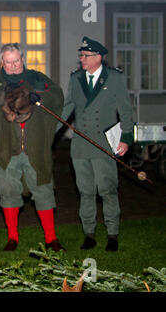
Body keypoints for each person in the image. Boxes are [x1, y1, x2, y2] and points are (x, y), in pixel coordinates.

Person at [0, 43, 65, 252]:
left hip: (34, 148)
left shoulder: (37, 78)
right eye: (9, 62)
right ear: (2, 62)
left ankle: (51, 238)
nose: (14, 65)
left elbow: (57, 96)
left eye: (17, 60)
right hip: (6, 148)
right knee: (8, 189)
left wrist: (38, 96)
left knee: (43, 188)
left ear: (22, 59)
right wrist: (2, 97)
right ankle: (12, 237)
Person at [58, 37, 133, 251]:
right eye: (81, 55)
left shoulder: (115, 78)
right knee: (86, 192)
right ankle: (89, 234)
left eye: (85, 56)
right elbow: (67, 108)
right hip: (81, 145)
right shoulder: (76, 79)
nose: (81, 59)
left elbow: (125, 110)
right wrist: (49, 134)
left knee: (108, 190)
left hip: (103, 144)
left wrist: (126, 138)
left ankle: (112, 234)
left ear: (98, 57)